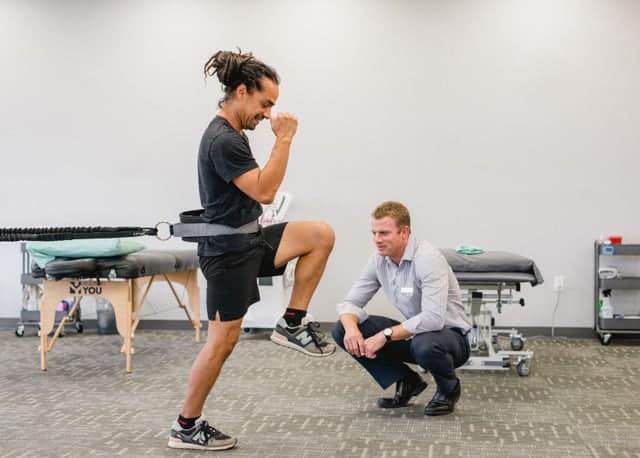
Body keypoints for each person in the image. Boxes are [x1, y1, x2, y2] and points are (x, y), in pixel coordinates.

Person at [168, 49, 336, 451]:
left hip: (249, 240)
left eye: (272, 106)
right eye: (265, 103)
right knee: (221, 343)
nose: (268, 113)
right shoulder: (223, 139)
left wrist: (279, 139)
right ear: (241, 91)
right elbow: (263, 190)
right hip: (226, 254)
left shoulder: (235, 134)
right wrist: (286, 138)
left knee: (319, 235)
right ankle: (186, 426)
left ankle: (291, 323)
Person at [332, 201, 471, 417]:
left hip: (450, 339)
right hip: (415, 335)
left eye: (384, 233)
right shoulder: (379, 260)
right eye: (374, 233)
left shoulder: (427, 259)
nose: (377, 239)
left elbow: (433, 319)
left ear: (404, 232)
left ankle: (448, 389)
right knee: (342, 329)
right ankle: (407, 382)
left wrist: (385, 335)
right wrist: (351, 329)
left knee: (425, 343)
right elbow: (350, 303)